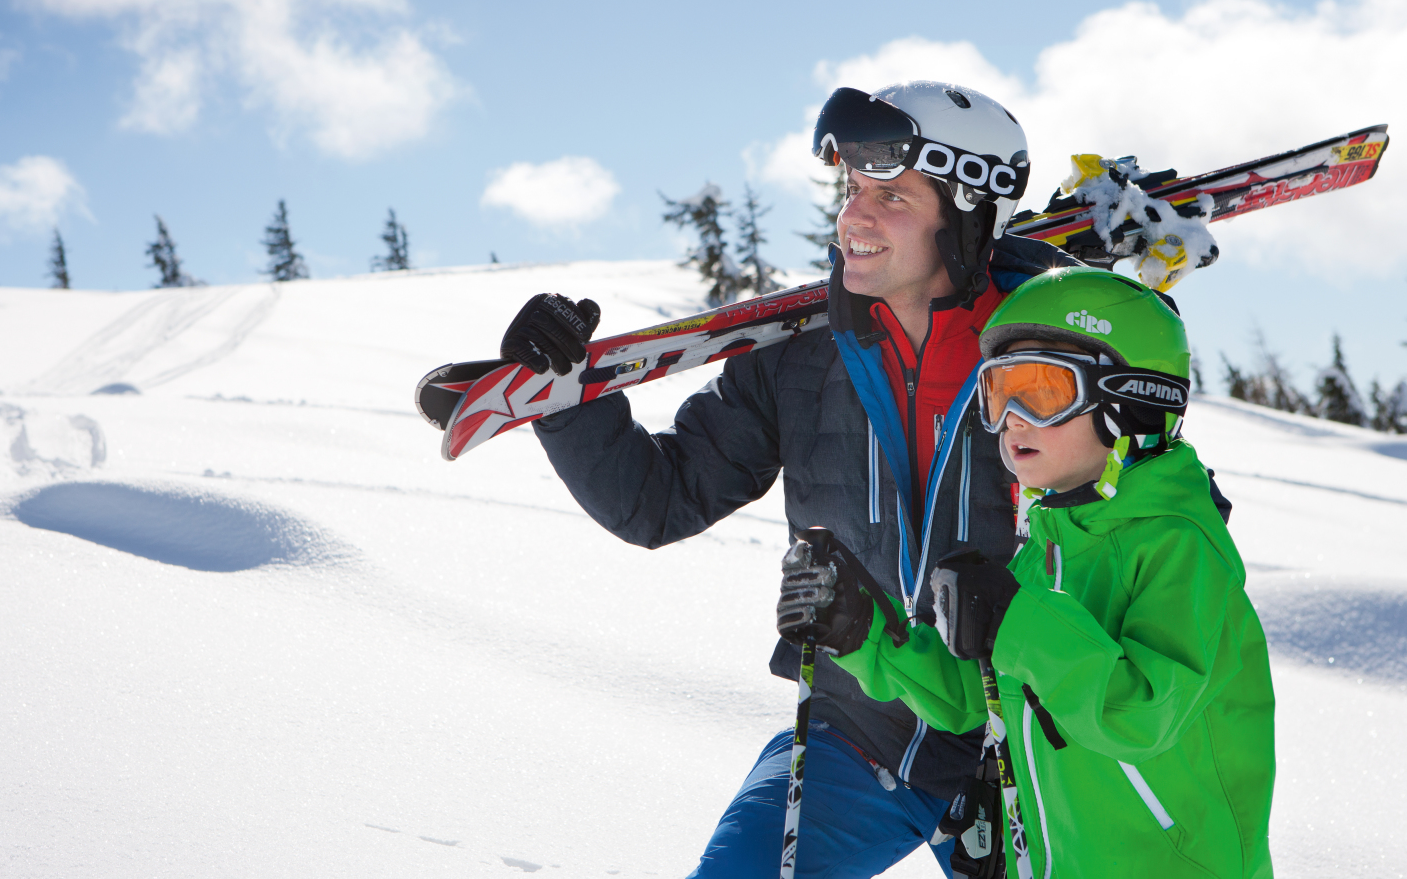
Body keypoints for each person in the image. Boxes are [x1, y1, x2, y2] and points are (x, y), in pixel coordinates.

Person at [499, 80, 1075, 878]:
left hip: (1033, 744)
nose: (854, 218)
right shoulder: (798, 355)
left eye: (891, 196)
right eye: (851, 190)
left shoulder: (1053, 355)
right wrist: (569, 402)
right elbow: (658, 500)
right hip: (858, 730)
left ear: (968, 213)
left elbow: (1135, 539)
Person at [779, 266, 1275, 878]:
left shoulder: (1180, 547)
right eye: (996, 390)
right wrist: (866, 635)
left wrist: (1015, 620)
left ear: (1133, 399)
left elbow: (1142, 713)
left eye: (1040, 390)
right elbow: (974, 700)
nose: (1011, 416)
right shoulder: (1045, 545)